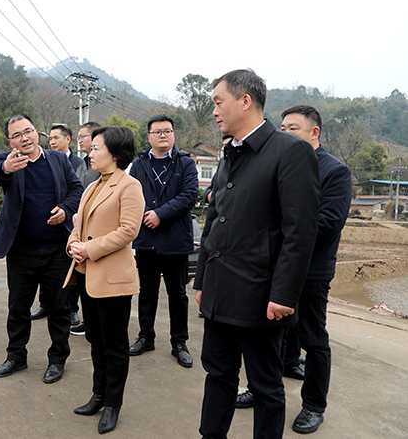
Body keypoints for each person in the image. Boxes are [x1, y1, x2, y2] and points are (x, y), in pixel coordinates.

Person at [193, 69, 320, 439]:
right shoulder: (229, 152)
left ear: (244, 101)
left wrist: (283, 294)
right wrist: (202, 280)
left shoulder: (290, 151)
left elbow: (300, 231)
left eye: (219, 102)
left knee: (265, 385)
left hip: (261, 296)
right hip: (219, 292)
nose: (214, 111)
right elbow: (214, 219)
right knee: (218, 373)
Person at [236, 105, 353, 434]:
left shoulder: (334, 171)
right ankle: (261, 388)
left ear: (314, 133)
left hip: (311, 272)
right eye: (282, 128)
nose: (284, 134)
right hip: (274, 267)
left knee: (313, 340)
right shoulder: (278, 163)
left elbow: (326, 224)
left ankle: (314, 405)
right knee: (269, 334)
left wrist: (276, 231)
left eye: (293, 129)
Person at [0, 114, 83, 383]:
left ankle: (57, 359)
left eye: (28, 131)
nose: (24, 138)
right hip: (21, 250)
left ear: (37, 133)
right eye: (17, 135)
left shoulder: (57, 159)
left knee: (59, 308)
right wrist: (7, 167)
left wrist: (65, 210)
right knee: (18, 307)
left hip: (56, 249)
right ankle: (16, 357)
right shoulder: (6, 160)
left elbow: (76, 190)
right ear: (10, 141)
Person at [64, 125, 144, 435]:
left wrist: (89, 248)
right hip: (86, 275)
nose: (91, 152)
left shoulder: (129, 185)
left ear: (115, 152)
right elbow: (79, 223)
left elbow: (128, 230)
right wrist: (73, 244)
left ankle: (113, 403)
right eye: (91, 147)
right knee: (95, 340)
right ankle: (98, 395)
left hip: (112, 278)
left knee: (114, 344)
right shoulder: (91, 185)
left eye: (97, 148)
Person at [128, 114, 198, 368]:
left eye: (167, 131)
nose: (163, 136)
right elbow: (131, 193)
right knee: (147, 291)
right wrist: (148, 213)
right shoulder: (139, 164)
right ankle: (146, 336)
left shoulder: (186, 163)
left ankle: (179, 342)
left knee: (178, 293)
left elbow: (190, 195)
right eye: (157, 132)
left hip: (175, 239)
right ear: (149, 137)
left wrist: (160, 214)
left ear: (173, 135)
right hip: (146, 238)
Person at [31, 124, 85, 322]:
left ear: (67, 139)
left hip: (70, 223)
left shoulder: (78, 162)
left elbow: (79, 190)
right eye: (50, 138)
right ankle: (44, 305)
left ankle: (71, 309)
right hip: (47, 225)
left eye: (56, 138)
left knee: (69, 270)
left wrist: (67, 209)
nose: (52, 142)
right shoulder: (44, 159)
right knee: (45, 271)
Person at [70, 121, 102, 336]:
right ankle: (89, 322)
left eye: (84, 136)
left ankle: (98, 324)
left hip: (98, 231)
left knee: (97, 281)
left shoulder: (104, 166)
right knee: (83, 279)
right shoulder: (83, 164)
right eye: (79, 137)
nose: (80, 140)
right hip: (80, 228)